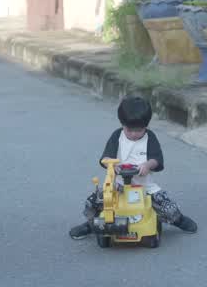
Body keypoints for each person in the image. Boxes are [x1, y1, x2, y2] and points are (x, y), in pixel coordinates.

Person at [69, 96, 198, 239]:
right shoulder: (117, 136)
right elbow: (105, 158)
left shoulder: (150, 138)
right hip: (118, 185)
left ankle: (177, 219)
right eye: (129, 130)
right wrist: (112, 164)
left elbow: (157, 159)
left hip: (144, 186)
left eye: (139, 130)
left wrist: (147, 165)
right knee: (95, 200)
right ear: (122, 124)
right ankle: (91, 224)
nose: (134, 134)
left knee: (166, 204)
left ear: (146, 126)